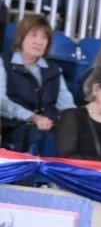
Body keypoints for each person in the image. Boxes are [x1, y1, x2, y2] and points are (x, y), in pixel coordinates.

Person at [1, 14, 75, 154]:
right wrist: (33, 117)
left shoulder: (53, 70)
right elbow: (1, 102)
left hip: (49, 127)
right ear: (21, 37)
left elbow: (67, 106)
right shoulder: (3, 63)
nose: (39, 42)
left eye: (44, 37)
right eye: (33, 35)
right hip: (14, 127)